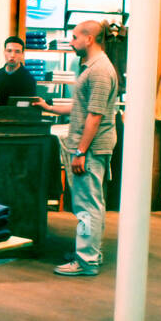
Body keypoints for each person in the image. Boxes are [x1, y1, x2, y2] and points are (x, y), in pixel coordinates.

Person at [33, 20, 119, 276]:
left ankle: (86, 260)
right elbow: (81, 106)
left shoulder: (100, 70)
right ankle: (90, 253)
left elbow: (94, 115)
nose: (70, 42)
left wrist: (80, 151)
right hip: (91, 148)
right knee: (93, 203)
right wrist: (50, 108)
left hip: (90, 150)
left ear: (89, 38)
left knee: (87, 206)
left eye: (73, 37)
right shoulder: (93, 68)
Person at [0, 35, 37, 104]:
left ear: (22, 54)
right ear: (4, 52)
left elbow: (29, 108)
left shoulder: (29, 79)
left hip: (18, 114)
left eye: (17, 51)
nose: (12, 55)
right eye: (9, 51)